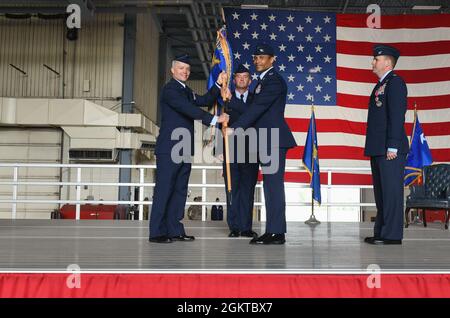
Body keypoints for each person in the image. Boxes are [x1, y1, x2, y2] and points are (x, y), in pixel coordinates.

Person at [149, 53, 230, 243]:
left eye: (187, 69)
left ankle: (174, 229)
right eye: (181, 68)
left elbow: (202, 100)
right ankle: (157, 232)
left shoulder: (185, 90)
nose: (185, 72)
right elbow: (189, 110)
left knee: (179, 190)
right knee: (164, 189)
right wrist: (214, 119)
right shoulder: (170, 90)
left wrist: (218, 84)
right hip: (169, 148)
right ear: (172, 70)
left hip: (184, 148)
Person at [227, 43, 297, 245]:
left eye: (262, 57)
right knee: (269, 186)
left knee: (273, 186)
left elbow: (256, 108)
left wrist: (236, 127)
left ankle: (276, 232)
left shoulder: (273, 81)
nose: (257, 60)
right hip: (265, 140)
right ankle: (273, 230)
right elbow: (251, 108)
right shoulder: (261, 81)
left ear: (272, 59)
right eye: (256, 57)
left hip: (273, 139)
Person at [364, 44, 408, 245]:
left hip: (390, 149)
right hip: (378, 147)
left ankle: (392, 235)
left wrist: (393, 145)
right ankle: (381, 231)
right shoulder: (381, 84)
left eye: (376, 59)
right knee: (381, 193)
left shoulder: (395, 83)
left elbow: (397, 116)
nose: (373, 62)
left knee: (391, 193)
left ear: (388, 62)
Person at [220, 64, 258, 238]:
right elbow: (219, 126)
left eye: (245, 77)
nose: (242, 79)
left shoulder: (255, 100)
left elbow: (254, 118)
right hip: (231, 151)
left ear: (250, 81)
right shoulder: (224, 100)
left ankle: (246, 227)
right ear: (234, 80)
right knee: (232, 189)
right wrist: (218, 149)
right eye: (238, 76)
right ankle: (234, 227)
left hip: (251, 151)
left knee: (247, 190)